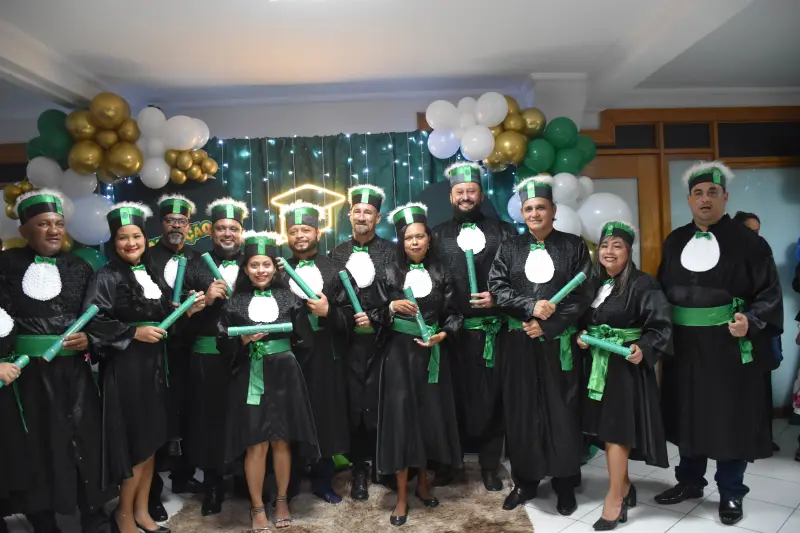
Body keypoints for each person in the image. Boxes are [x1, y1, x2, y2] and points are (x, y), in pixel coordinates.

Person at [656, 161, 783, 526]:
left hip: (729, 345)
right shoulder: (674, 240)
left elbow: (769, 293)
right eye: (698, 193)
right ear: (689, 199)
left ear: (725, 196)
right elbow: (661, 290)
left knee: (730, 418)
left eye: (712, 192)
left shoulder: (750, 243)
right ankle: (689, 481)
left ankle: (730, 492)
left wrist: (751, 321)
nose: (705, 199)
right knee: (688, 413)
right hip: (684, 347)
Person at [83, 202, 205, 533]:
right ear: (114, 242)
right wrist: (133, 333)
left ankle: (140, 511)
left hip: (156, 367)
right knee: (135, 445)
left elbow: (164, 320)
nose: (131, 243)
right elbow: (93, 321)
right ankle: (123, 514)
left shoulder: (150, 273)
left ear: (144, 238)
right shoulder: (106, 276)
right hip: (127, 369)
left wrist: (188, 311)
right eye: (123, 237)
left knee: (151, 442)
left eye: (136, 236)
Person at [0, 189, 115, 533]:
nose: (53, 230)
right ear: (24, 230)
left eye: (58, 224)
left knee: (84, 437)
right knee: (37, 444)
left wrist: (90, 338)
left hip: (74, 371)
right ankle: (42, 517)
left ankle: (92, 510)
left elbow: (99, 315)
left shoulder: (80, 266)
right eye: (43, 224)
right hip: (27, 375)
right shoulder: (5, 265)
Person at [488, 175, 592, 515]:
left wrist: (548, 325)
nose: (534, 214)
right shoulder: (509, 247)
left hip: (558, 344)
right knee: (521, 412)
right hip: (517, 343)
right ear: (522, 213)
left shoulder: (574, 246)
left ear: (553, 210)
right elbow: (498, 289)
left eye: (541, 208)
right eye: (529, 209)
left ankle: (565, 483)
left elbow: (583, 294)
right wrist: (530, 307)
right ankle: (526, 481)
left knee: (563, 411)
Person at [218, 231, 319, 531]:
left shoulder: (291, 299)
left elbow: (306, 340)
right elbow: (222, 344)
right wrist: (242, 341)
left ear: (275, 268)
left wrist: (287, 355)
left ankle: (282, 500)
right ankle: (257, 506)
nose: (261, 270)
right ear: (245, 269)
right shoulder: (233, 304)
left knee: (282, 441)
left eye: (266, 264)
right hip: (250, 376)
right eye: (254, 265)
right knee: (256, 444)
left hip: (286, 375)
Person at [370, 202, 462, 526]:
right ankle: (401, 495)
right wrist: (391, 307)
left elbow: (455, 314)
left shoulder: (442, 271)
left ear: (428, 238)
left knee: (426, 419)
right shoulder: (388, 271)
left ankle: (423, 482)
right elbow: (373, 312)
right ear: (402, 241)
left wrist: (443, 335)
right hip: (398, 355)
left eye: (419, 236)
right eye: (408, 237)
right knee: (401, 422)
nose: (414, 242)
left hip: (431, 355)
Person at [576, 221, 672, 530]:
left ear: (629, 251)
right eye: (605, 245)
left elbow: (661, 326)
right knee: (607, 431)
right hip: (598, 365)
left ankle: (615, 499)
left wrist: (644, 346)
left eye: (617, 246)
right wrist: (582, 335)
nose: (609, 251)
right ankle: (625, 486)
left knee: (617, 432)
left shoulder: (644, 284)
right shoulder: (595, 283)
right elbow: (584, 320)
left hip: (624, 368)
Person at [431, 162, 517, 491]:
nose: (466, 196)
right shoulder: (436, 236)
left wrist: (498, 298)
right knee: (451, 400)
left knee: (494, 400)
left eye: (471, 191)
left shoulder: (505, 232)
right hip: (452, 334)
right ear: (451, 196)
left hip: (495, 332)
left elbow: (517, 277)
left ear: (481, 195)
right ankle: (449, 464)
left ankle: (490, 465)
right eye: (460, 192)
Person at [281, 201, 352, 504]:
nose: (300, 235)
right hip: (288, 354)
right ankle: (290, 481)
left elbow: (353, 314)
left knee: (324, 415)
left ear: (318, 233)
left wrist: (329, 312)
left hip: (325, 353)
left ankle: (324, 480)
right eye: (294, 231)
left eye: (306, 230)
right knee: (290, 415)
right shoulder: (277, 271)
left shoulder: (335, 269)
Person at [330, 185, 396, 500]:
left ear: (377, 217)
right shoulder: (336, 254)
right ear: (349, 215)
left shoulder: (393, 252)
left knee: (384, 402)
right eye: (357, 211)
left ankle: (384, 465)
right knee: (355, 406)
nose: (361, 216)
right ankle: (359, 469)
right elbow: (333, 298)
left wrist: (377, 318)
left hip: (386, 342)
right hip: (350, 344)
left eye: (368, 212)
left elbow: (397, 294)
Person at [182, 197, 248, 516]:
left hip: (246, 354)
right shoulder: (194, 265)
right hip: (207, 357)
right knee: (209, 422)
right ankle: (212, 486)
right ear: (211, 232)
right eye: (221, 228)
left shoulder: (255, 262)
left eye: (233, 228)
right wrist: (205, 301)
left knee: (245, 417)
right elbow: (181, 318)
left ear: (241, 232)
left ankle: (245, 480)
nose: (227, 234)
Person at [145, 194, 203, 520]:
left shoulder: (197, 258)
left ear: (189, 226)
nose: (176, 226)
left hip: (190, 350)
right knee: (156, 420)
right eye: (171, 221)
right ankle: (151, 492)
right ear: (162, 224)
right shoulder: (147, 257)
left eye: (182, 221)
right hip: (156, 352)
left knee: (191, 414)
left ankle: (184, 475)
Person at [732, 211, 783, 453]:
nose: (755, 237)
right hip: (734, 334)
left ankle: (763, 440)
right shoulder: (726, 257)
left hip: (759, 329)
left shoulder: (762, 254)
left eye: (757, 232)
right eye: (749, 231)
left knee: (762, 388)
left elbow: (771, 295)